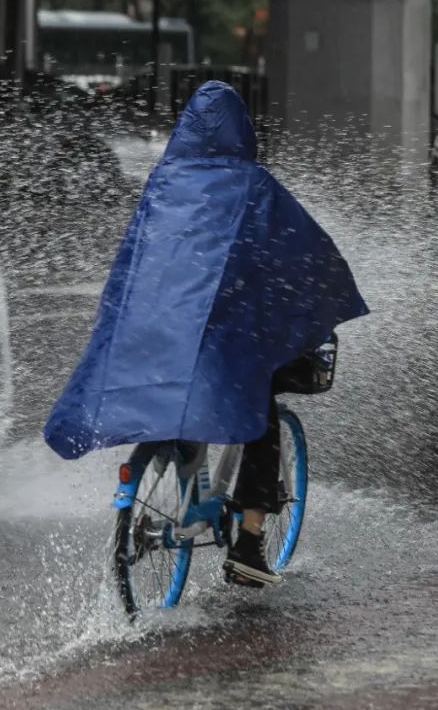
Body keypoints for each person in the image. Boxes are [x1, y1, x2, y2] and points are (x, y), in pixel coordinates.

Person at [44, 81, 368, 586]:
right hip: (218, 343)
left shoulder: (162, 183)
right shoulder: (253, 185)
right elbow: (303, 258)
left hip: (152, 334)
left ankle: (173, 492)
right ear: (241, 130)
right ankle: (249, 544)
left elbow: (135, 266)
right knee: (257, 419)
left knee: (177, 390)